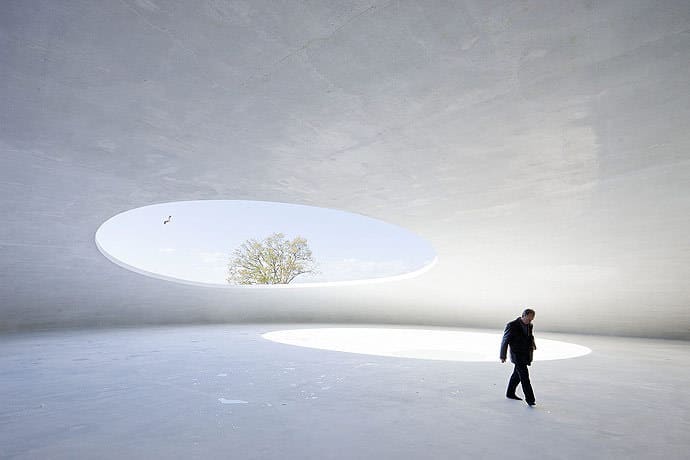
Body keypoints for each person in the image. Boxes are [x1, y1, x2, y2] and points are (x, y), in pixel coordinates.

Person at [500, 308, 537, 406]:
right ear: (523, 315)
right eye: (529, 319)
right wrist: (502, 355)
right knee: (525, 377)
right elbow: (505, 341)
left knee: (517, 375)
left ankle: (510, 393)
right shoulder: (512, 325)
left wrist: (533, 345)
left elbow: (530, 336)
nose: (530, 321)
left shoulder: (530, 325)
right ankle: (530, 399)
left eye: (531, 319)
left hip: (525, 354)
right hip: (517, 355)